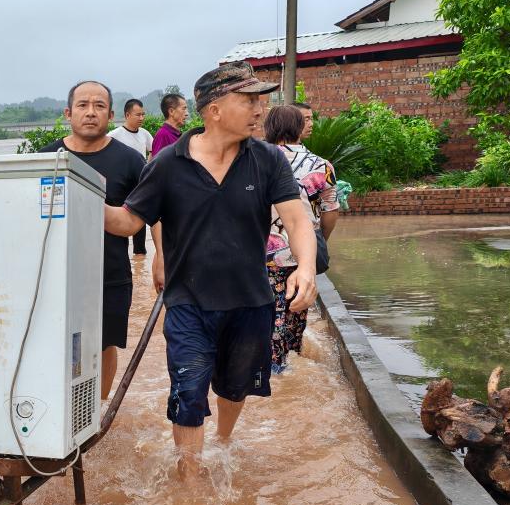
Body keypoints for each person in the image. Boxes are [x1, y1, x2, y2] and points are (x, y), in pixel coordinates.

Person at [104, 62, 317, 482]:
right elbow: (129, 222)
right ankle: (191, 475)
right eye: (250, 100)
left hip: (251, 300)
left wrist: (306, 267)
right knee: (188, 392)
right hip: (188, 303)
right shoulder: (168, 163)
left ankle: (222, 442)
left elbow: (296, 221)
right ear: (214, 110)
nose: (261, 109)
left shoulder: (268, 159)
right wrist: (79, 194)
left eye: (262, 100)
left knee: (235, 388)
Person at [40, 80, 146, 400]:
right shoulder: (47, 158)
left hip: (110, 273)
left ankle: (96, 411)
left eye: (99, 106)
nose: (90, 113)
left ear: (111, 114)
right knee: (54, 341)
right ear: (68, 113)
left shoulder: (130, 161)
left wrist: (164, 262)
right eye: (83, 106)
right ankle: (61, 407)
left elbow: (152, 215)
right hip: (54, 273)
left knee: (104, 343)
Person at [263, 105, 338, 373]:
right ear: (297, 128)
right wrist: (317, 241)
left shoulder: (255, 160)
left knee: (268, 310)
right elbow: (330, 211)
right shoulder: (321, 166)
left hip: (261, 253)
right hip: (302, 254)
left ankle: (272, 367)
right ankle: (287, 360)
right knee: (296, 309)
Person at [108, 98, 153, 254]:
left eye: (143, 115)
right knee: (119, 218)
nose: (141, 118)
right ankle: (119, 252)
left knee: (138, 217)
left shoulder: (145, 134)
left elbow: (153, 151)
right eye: (137, 115)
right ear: (127, 115)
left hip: (139, 182)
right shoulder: (114, 135)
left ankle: (139, 256)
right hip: (120, 183)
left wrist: (147, 167)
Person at [151, 92, 188, 156]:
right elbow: (157, 164)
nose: (187, 114)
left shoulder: (177, 134)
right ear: (171, 111)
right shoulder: (163, 135)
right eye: (183, 109)